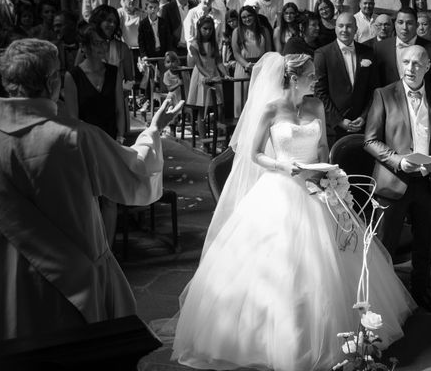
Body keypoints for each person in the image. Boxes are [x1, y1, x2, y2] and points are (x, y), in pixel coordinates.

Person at [163, 52, 414, 370]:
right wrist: (283, 164)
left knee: (329, 264)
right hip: (279, 188)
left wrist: (329, 175)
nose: (316, 80)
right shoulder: (270, 108)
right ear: (293, 78)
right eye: (311, 75)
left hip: (316, 187)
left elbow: (322, 147)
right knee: (281, 267)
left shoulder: (315, 106)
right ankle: (278, 338)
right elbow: (254, 153)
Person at [0, 38, 183, 345]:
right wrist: (152, 131)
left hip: (1, 289)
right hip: (72, 291)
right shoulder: (75, 138)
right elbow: (134, 177)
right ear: (52, 82)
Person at [364, 44, 431, 316]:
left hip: (428, 182)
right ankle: (380, 301)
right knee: (384, 246)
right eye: (406, 62)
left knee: (425, 244)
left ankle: (421, 293)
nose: (411, 68)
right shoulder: (384, 94)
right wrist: (397, 160)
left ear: (428, 66)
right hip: (393, 182)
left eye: (417, 63)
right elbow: (370, 140)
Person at [64, 25, 126, 243]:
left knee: (110, 199)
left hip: (110, 142)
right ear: (84, 47)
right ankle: (92, 246)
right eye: (97, 43)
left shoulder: (113, 72)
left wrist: (119, 139)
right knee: (90, 199)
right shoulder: (73, 77)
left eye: (104, 42)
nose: (103, 47)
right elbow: (73, 119)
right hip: (86, 144)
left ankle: (108, 250)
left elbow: (120, 109)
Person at [314, 12, 377, 146]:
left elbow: (374, 89)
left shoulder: (368, 52)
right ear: (335, 28)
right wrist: (339, 121)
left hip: (363, 126)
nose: (344, 30)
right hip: (333, 127)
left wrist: (364, 117)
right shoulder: (322, 54)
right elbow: (320, 93)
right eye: (340, 26)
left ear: (356, 29)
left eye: (349, 26)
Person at [187, 16, 229, 146]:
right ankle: (204, 141)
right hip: (201, 76)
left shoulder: (214, 43)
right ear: (199, 29)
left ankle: (220, 139)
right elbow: (199, 65)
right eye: (205, 29)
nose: (208, 31)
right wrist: (208, 75)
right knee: (202, 110)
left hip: (214, 74)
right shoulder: (194, 45)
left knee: (220, 108)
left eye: (210, 29)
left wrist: (225, 73)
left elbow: (218, 61)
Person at [231, 5, 272, 117]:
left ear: (254, 16)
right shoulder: (237, 32)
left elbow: (268, 51)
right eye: (243, 17)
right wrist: (246, 65)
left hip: (261, 67)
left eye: (249, 16)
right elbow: (236, 53)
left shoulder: (264, 31)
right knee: (242, 102)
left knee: (259, 101)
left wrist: (261, 65)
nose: (247, 19)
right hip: (243, 67)